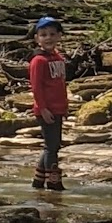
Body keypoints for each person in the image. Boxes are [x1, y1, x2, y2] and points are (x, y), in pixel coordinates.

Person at [28, 16, 68, 192]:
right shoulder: (38, 61)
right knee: (52, 146)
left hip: (58, 107)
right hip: (46, 109)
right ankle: (53, 182)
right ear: (37, 39)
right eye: (43, 35)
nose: (48, 38)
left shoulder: (58, 57)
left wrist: (65, 107)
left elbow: (60, 84)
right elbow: (36, 87)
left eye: (52, 34)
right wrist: (42, 108)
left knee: (51, 145)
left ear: (59, 36)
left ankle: (38, 181)